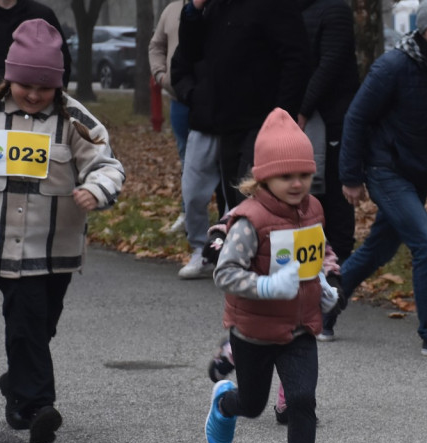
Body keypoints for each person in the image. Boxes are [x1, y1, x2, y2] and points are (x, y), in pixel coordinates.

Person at [0, 20, 125, 443]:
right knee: (24, 319)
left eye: (45, 87)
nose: (35, 95)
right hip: (2, 246)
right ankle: (39, 407)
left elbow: (107, 165)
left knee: (41, 325)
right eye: (25, 84)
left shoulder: (76, 121)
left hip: (56, 248)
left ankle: (17, 384)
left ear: (58, 86)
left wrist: (95, 190)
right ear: (9, 77)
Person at [203, 108, 339, 443]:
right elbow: (224, 273)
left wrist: (329, 280)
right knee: (254, 404)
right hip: (254, 332)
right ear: (263, 179)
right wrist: (265, 287)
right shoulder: (250, 221)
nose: (297, 184)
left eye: (305, 175)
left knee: (301, 399)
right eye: (286, 177)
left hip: (300, 328)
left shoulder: (313, 208)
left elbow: (322, 250)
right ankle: (226, 403)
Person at [334, 0, 427, 359]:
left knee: (378, 249)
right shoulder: (393, 65)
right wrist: (350, 176)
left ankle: (321, 306)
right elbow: (356, 118)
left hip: (419, 173)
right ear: (424, 26)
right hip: (385, 169)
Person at [171, 0, 311, 280]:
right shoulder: (215, 7)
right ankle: (237, 261)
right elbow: (190, 53)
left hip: (262, 120)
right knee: (235, 195)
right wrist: (194, 11)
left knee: (256, 193)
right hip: (225, 120)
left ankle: (267, 265)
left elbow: (298, 58)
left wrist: (281, 115)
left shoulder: (272, 7)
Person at [298, 0, 361, 341]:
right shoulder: (294, 11)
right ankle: (311, 298)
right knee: (309, 211)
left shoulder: (334, 8)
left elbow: (331, 63)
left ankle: (331, 304)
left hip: (334, 122)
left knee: (336, 213)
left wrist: (303, 108)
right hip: (306, 123)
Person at [149, 0, 189, 235]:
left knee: (218, 163)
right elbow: (156, 46)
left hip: (212, 102)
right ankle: (187, 215)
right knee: (186, 159)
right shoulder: (172, 10)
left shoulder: (219, 8)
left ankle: (226, 216)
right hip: (179, 101)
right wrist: (160, 74)